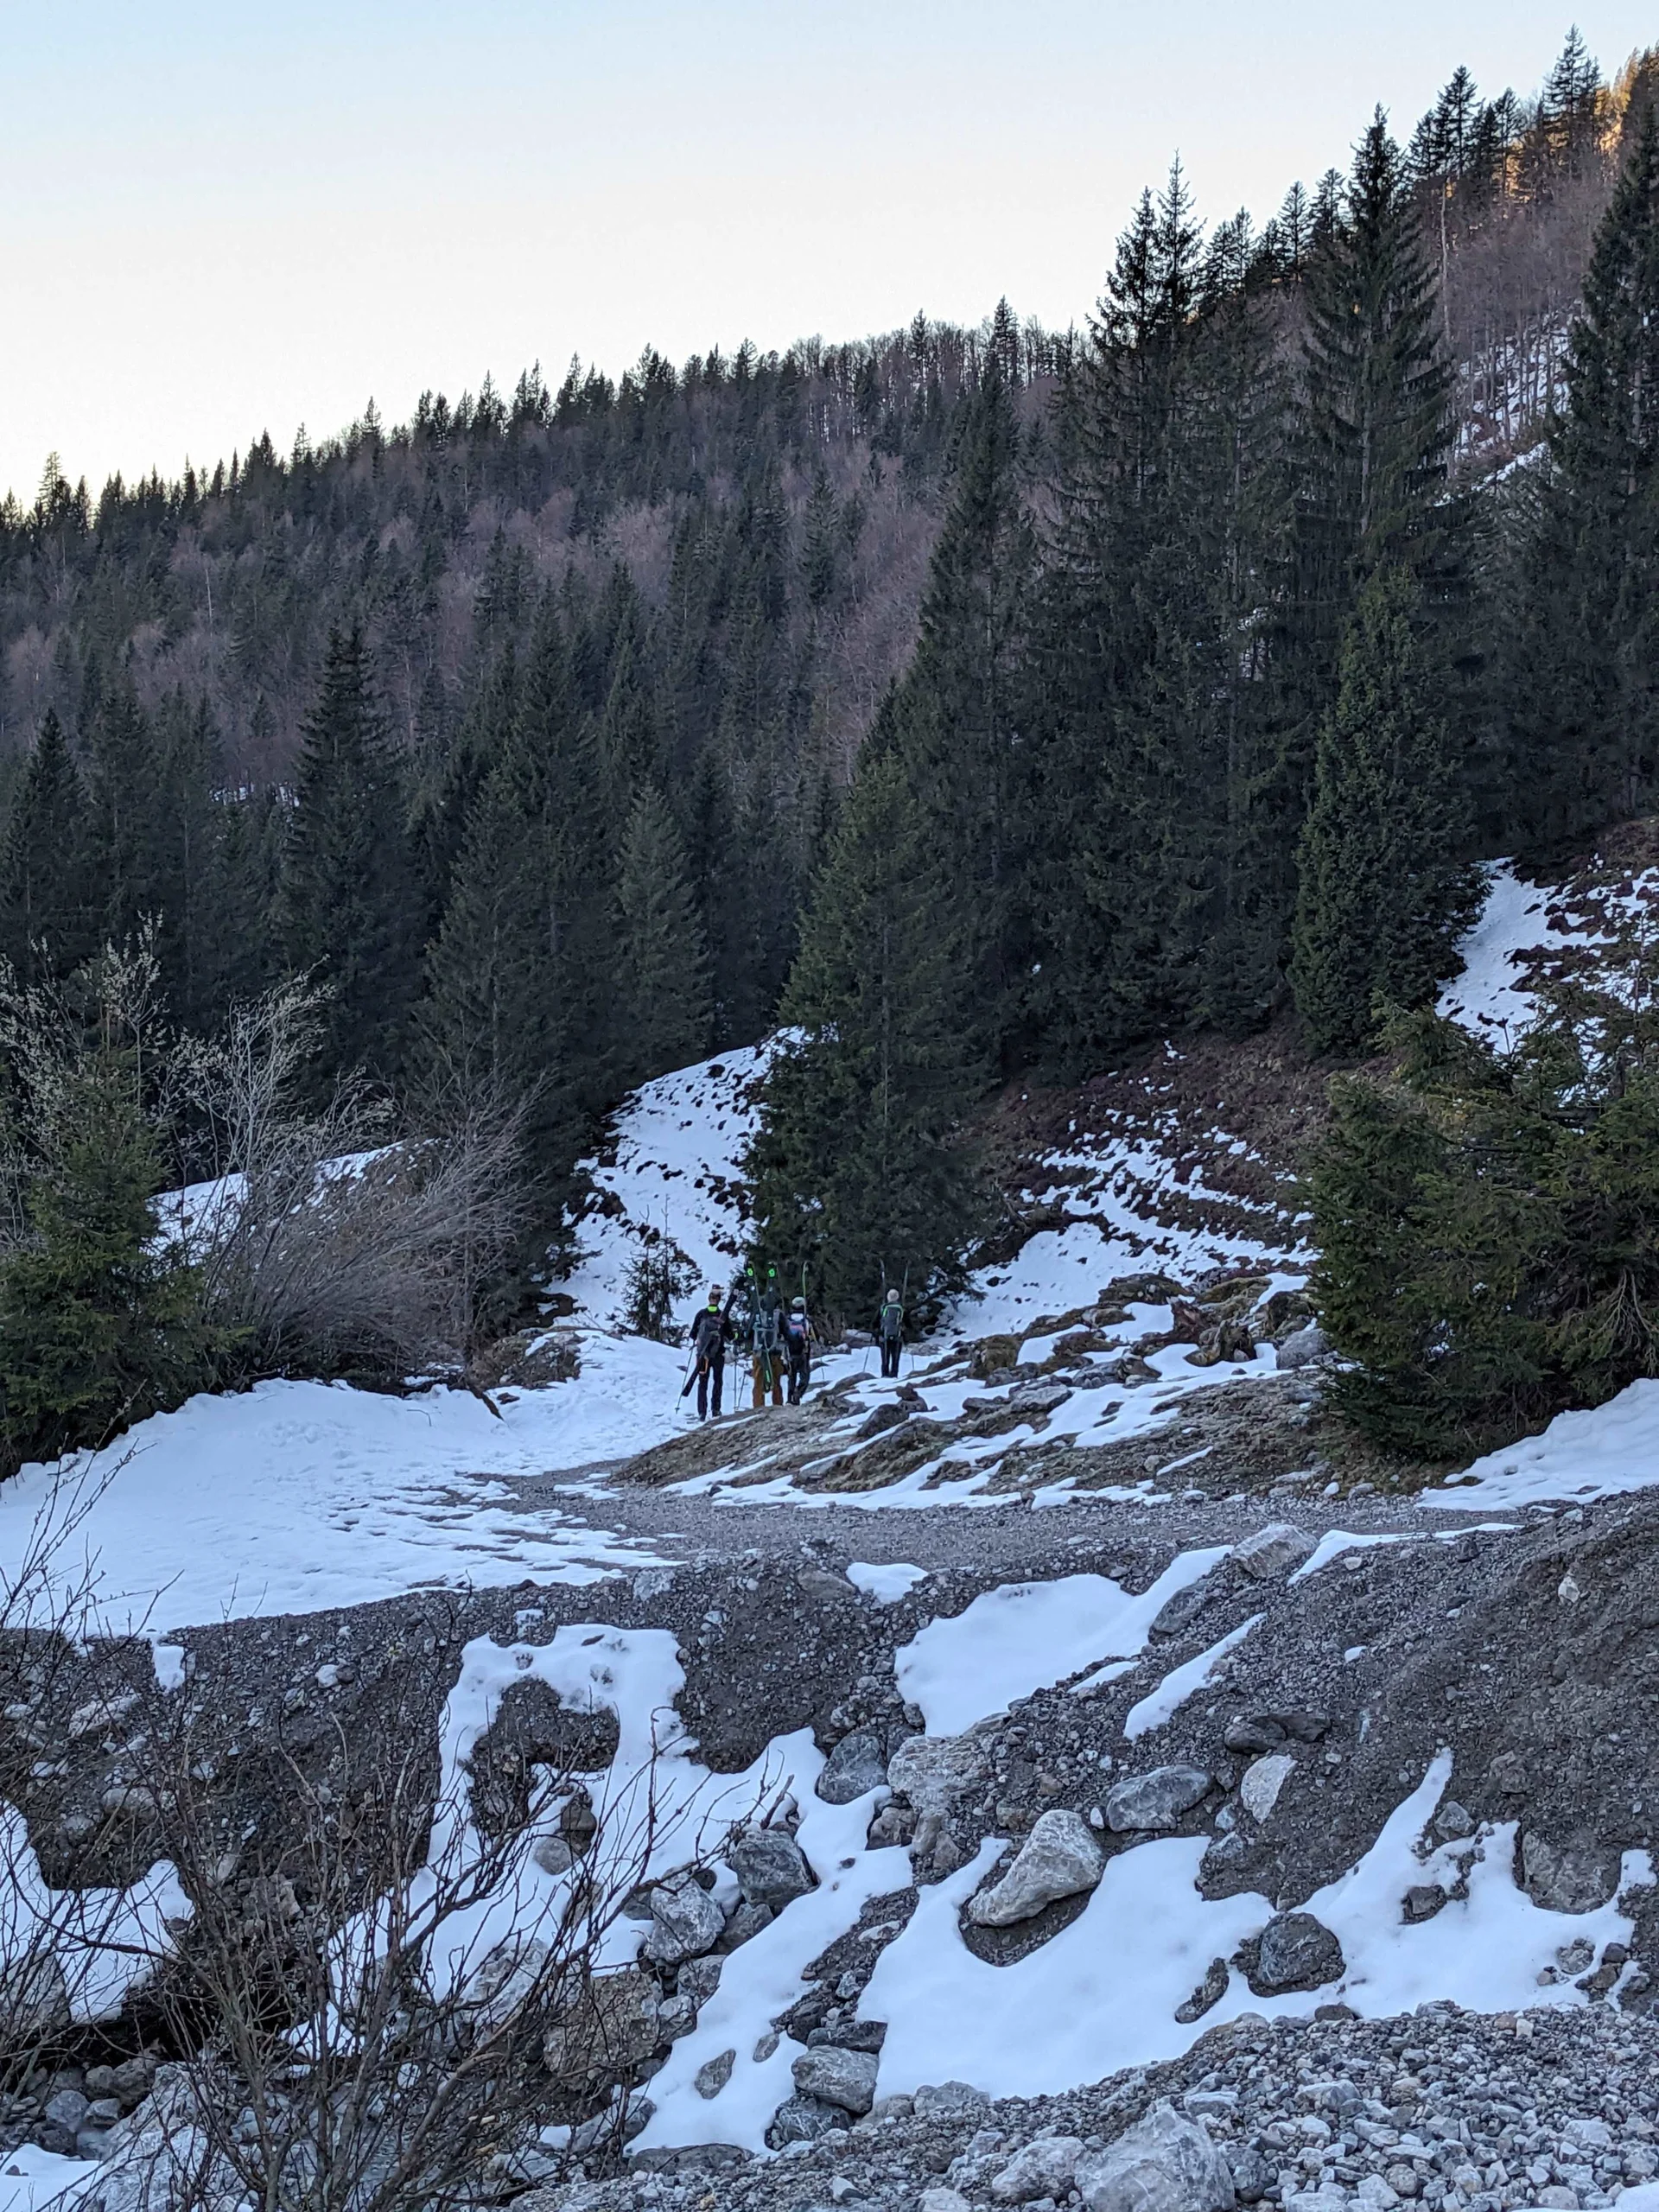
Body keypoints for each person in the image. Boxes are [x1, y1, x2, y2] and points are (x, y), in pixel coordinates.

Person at [684, 1287, 730, 1421]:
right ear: (719, 1300)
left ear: (709, 1299)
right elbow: (731, 1335)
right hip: (718, 1354)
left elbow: (693, 1334)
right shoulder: (723, 1315)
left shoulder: (701, 1314)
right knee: (718, 1381)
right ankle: (716, 1409)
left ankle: (702, 1412)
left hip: (703, 1355)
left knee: (702, 1382)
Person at [746, 1263, 785, 1408]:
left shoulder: (756, 1315)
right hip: (775, 1353)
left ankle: (758, 1407)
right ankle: (778, 1405)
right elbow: (785, 1332)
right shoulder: (778, 1315)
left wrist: (748, 1346)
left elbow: (748, 1333)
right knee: (776, 1382)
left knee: (758, 1383)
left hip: (758, 1354)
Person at [782, 1294, 813, 1404]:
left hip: (790, 1352)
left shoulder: (788, 1320)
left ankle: (790, 1399)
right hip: (803, 1352)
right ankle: (798, 1393)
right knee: (805, 1376)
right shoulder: (805, 1321)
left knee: (792, 1377)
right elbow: (810, 1335)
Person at [877, 1287, 904, 1379]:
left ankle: (884, 1375)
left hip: (884, 1337)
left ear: (888, 1297)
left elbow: (875, 1322)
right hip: (898, 1337)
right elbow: (907, 1323)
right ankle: (894, 1375)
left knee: (885, 1357)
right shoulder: (901, 1308)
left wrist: (876, 1332)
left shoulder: (884, 1307)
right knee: (895, 1358)